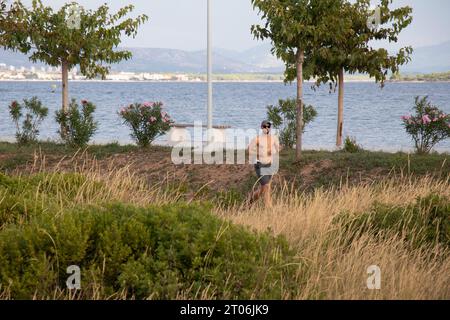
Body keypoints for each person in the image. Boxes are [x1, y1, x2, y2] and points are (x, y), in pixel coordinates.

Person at [247, 120, 280, 207]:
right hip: (260, 164)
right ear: (261, 127)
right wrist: (258, 154)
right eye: (265, 126)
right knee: (267, 187)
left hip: (270, 164)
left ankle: (251, 199)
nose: (267, 128)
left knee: (263, 188)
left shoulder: (273, 138)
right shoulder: (257, 139)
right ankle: (269, 208)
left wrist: (274, 151)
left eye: (268, 126)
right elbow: (249, 149)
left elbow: (278, 149)